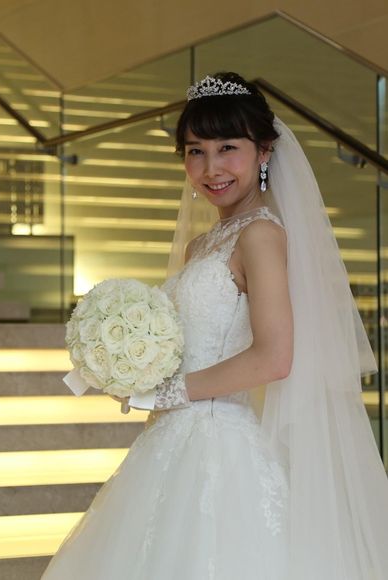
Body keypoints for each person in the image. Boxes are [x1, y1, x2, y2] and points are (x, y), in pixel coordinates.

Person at [41, 71, 388, 580]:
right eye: (195, 151)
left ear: (264, 152)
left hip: (219, 441)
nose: (210, 168)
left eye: (228, 148)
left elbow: (274, 357)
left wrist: (168, 391)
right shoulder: (202, 245)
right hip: (175, 436)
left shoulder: (261, 235)